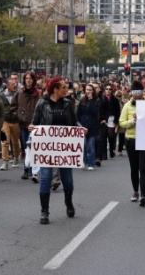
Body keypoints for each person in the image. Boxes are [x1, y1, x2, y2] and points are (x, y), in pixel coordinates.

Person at [30, 77, 86, 224]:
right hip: (47, 147)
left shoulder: (68, 104)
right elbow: (35, 122)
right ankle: (44, 211)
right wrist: (32, 127)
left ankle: (68, 202)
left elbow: (74, 122)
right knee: (46, 177)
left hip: (65, 147)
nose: (66, 90)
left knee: (67, 178)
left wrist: (81, 128)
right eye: (63, 87)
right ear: (55, 89)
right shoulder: (42, 104)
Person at [119, 80, 145, 207]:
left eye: (139, 94)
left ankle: (143, 195)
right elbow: (121, 122)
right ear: (132, 93)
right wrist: (131, 122)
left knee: (143, 168)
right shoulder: (127, 106)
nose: (137, 96)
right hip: (131, 140)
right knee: (134, 167)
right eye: (135, 94)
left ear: (143, 93)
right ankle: (135, 191)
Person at [11, 71, 41, 180]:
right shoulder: (20, 93)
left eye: (30, 78)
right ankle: (27, 169)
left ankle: (33, 170)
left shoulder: (38, 94)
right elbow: (13, 107)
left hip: (35, 125)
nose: (28, 80)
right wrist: (18, 116)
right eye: (26, 78)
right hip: (23, 124)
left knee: (34, 147)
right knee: (25, 146)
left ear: (33, 80)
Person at [0, 78, 21, 171]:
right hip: (5, 121)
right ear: (7, 85)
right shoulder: (1, 95)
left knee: (15, 142)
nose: (14, 85)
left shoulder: (19, 94)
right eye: (12, 84)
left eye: (15, 83)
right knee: (5, 141)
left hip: (15, 121)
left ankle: (16, 157)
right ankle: (5, 161)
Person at [77, 84, 101, 171]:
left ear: (93, 91)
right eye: (87, 90)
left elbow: (95, 112)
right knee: (83, 145)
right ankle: (84, 161)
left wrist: (91, 101)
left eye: (90, 90)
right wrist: (79, 124)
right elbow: (79, 113)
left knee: (91, 146)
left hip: (92, 127)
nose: (88, 92)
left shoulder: (96, 100)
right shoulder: (82, 100)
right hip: (83, 127)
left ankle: (91, 163)